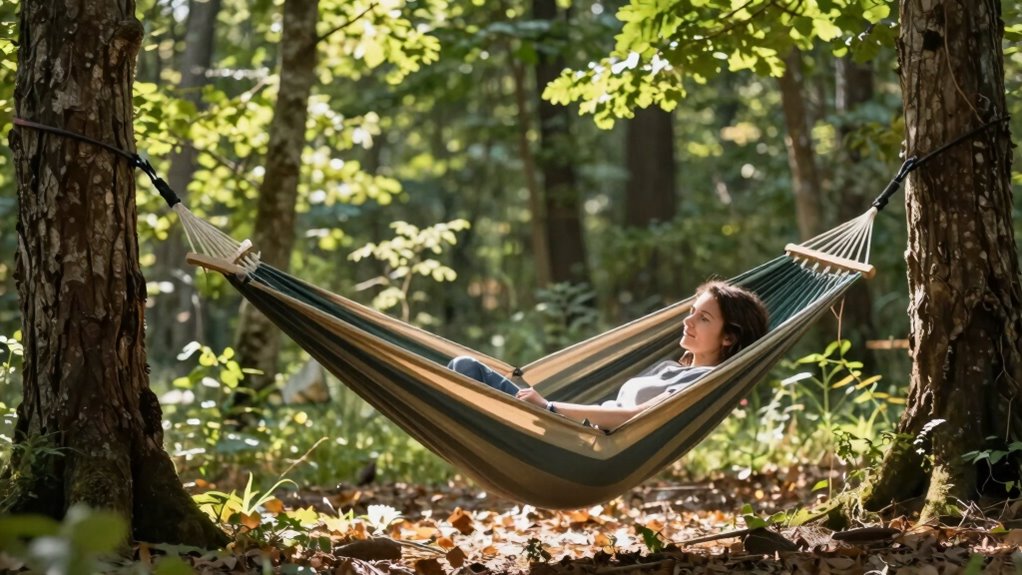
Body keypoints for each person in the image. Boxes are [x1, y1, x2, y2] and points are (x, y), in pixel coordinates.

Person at [448, 281, 769, 430]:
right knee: (460, 369)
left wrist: (548, 407)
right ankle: (468, 441)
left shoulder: (705, 381)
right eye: (691, 312)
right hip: (568, 428)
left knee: (466, 369)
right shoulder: (669, 366)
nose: (687, 321)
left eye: (704, 318)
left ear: (729, 337)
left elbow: (637, 416)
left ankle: (469, 439)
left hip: (579, 441)